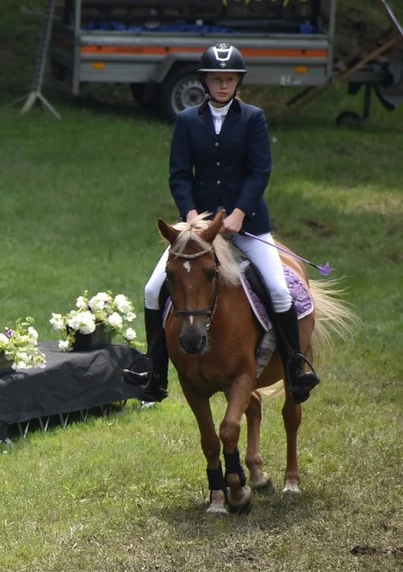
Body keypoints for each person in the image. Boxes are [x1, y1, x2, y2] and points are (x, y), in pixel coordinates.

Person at [123, 43, 319, 404]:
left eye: (229, 79)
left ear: (237, 82)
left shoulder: (253, 118)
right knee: (153, 290)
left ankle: (294, 367)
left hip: (248, 224)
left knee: (278, 289)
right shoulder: (186, 121)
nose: (223, 85)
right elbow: (180, 174)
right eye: (217, 79)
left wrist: (240, 212)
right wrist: (192, 214)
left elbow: (260, 171)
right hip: (197, 229)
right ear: (206, 82)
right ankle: (155, 372)